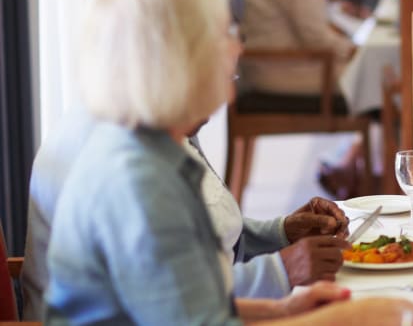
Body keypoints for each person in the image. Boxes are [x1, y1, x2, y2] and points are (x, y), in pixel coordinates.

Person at [44, 0, 413, 325]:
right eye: (222, 35)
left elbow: (193, 303)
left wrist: (283, 311)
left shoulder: (147, 146)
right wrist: (349, 318)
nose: (236, 48)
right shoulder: (137, 180)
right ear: (180, 60)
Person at [21, 106, 351, 320]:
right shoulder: (117, 160)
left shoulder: (150, 126)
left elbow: (202, 235)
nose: (225, 96)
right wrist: (280, 273)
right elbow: (172, 297)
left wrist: (281, 233)